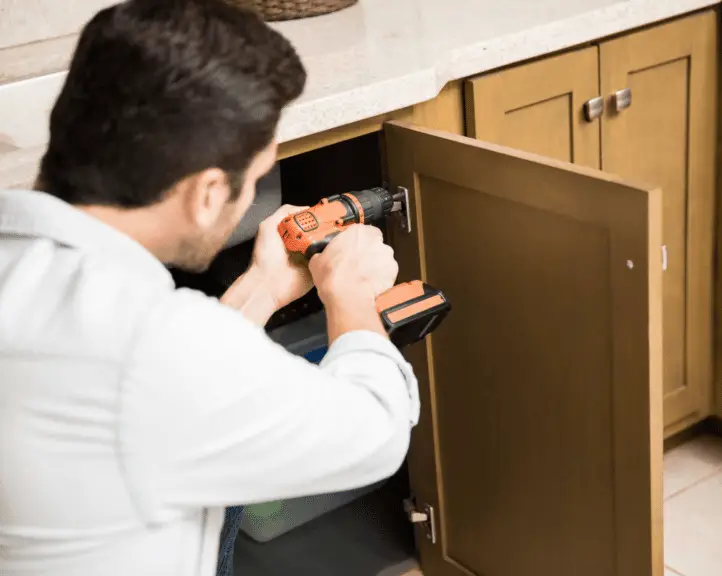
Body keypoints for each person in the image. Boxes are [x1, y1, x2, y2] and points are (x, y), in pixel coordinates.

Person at [0, 1, 420, 576]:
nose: (251, 198)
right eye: (254, 180)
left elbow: (169, 381)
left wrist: (263, 288)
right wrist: (353, 305)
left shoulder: (34, 276)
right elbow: (372, 433)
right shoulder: (150, 349)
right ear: (206, 193)